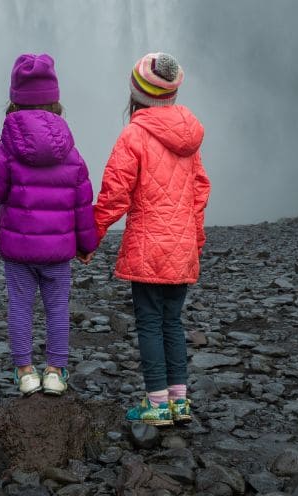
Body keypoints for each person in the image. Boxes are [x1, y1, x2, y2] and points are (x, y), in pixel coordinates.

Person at [0, 54, 98, 397]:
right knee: (57, 306)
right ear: (56, 101)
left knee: (19, 305)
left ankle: (25, 372)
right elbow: (82, 201)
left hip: (18, 252)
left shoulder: (8, 148)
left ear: (14, 99)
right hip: (58, 252)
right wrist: (87, 245)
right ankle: (56, 372)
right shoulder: (71, 152)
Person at [88, 52, 210, 426]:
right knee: (173, 321)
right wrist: (195, 238)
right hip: (181, 245)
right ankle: (180, 402)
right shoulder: (190, 138)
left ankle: (156, 403)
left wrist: (91, 236)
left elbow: (115, 194)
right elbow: (200, 190)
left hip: (148, 247)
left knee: (148, 322)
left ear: (136, 94)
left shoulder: (134, 134)